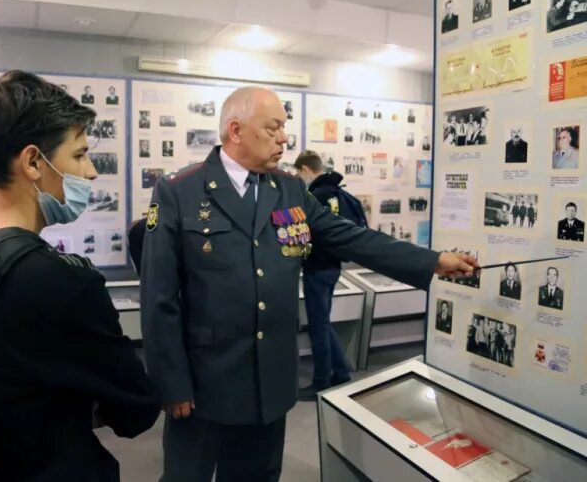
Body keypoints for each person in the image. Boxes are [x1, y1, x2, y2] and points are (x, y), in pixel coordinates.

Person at [140, 86, 478, 481]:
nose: (284, 137)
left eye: (284, 127)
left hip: (270, 379)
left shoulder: (289, 188)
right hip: (204, 382)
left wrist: (432, 260)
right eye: (273, 127)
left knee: (258, 476)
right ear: (235, 130)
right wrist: (172, 382)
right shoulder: (180, 190)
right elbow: (159, 296)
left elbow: (351, 237)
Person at [0, 71, 160, 480]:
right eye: (80, 155)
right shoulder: (64, 283)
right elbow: (136, 409)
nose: (92, 173)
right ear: (32, 162)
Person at [293, 151, 363, 400]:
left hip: (317, 268)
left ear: (305, 170)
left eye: (298, 173)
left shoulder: (316, 196)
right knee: (322, 322)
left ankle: (321, 381)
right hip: (332, 267)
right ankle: (341, 371)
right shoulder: (336, 193)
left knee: (317, 327)